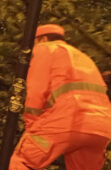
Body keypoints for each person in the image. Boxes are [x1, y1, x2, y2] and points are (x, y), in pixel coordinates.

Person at [10, 24, 111, 170]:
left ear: (42, 39)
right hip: (101, 128)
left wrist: (32, 128)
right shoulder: (82, 56)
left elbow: (36, 92)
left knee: (22, 161)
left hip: (68, 118)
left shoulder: (44, 50)